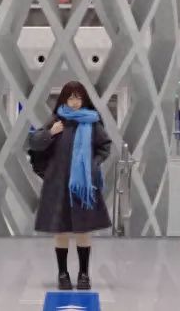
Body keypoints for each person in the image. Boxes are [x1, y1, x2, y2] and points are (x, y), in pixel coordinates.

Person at [28, 80, 112, 291]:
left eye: (78, 97)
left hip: (82, 186)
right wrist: (51, 133)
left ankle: (84, 274)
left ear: (84, 99)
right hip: (59, 183)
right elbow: (35, 142)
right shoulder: (57, 120)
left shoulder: (92, 122)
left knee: (84, 231)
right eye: (70, 97)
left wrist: (92, 166)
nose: (74, 102)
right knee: (62, 230)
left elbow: (104, 146)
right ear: (64, 99)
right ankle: (62, 273)